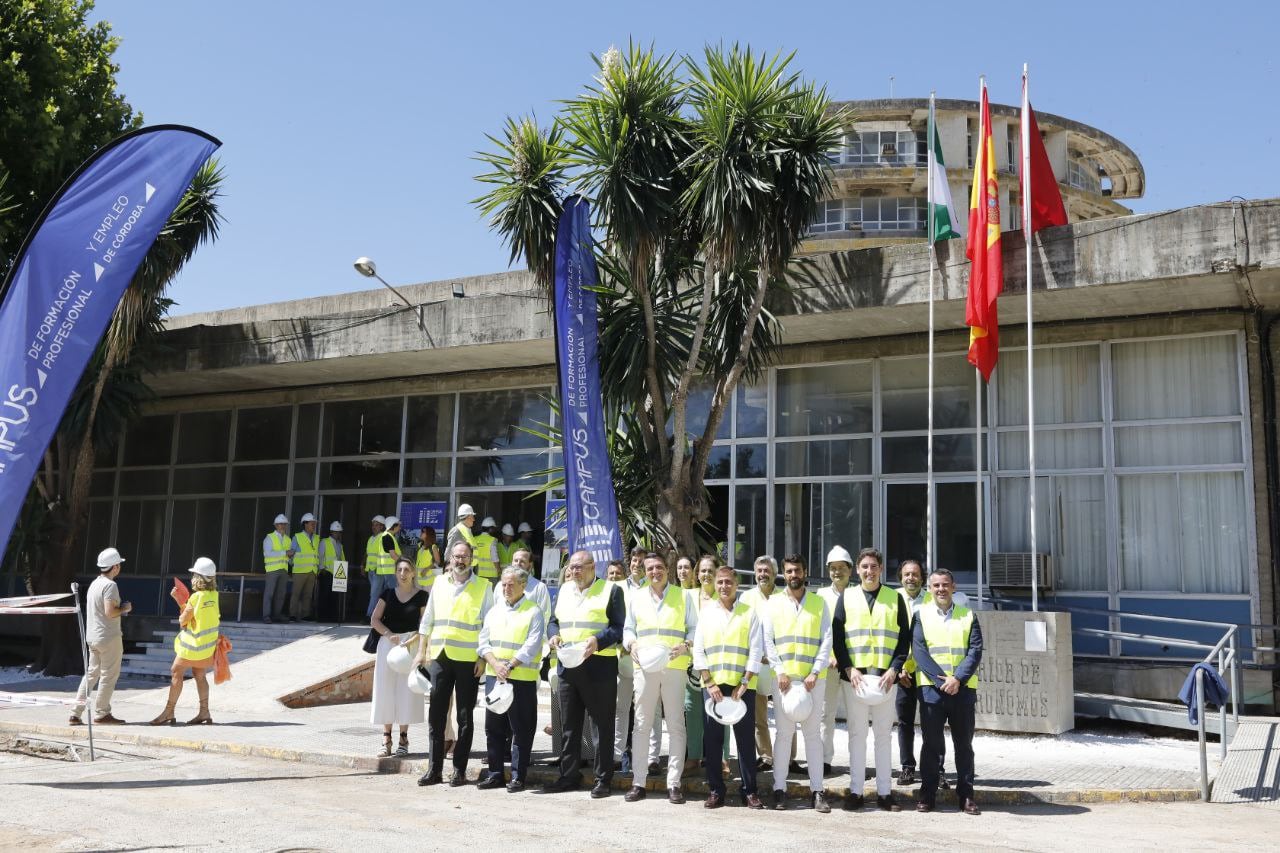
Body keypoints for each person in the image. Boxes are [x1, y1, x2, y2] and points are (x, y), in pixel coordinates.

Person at [832, 547, 910, 813]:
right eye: (864, 566)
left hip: (886, 679)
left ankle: (885, 794)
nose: (869, 571)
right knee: (856, 735)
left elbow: (904, 638)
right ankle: (855, 792)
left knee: (883, 737)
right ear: (857, 569)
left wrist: (895, 669)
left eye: (873, 566)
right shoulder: (848, 596)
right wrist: (848, 668)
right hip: (856, 678)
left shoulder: (894, 598)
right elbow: (838, 637)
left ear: (880, 569)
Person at [544, 550, 625, 798]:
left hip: (599, 666)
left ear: (593, 567)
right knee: (569, 725)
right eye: (572, 567)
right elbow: (553, 621)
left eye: (579, 567)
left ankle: (603, 779)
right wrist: (553, 634)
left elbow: (619, 628)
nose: (575, 571)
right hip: (569, 665)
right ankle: (569, 774)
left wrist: (597, 641)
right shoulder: (566, 590)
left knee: (601, 725)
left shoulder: (611, 590)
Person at [415, 541, 493, 787]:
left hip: (469, 661)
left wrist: (483, 658)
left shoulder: (483, 586)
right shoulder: (439, 583)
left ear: (472, 559)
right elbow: (428, 620)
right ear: (449, 559)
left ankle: (459, 770)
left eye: (465, 557)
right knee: (436, 714)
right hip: (440, 656)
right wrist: (421, 652)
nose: (461, 561)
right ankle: (434, 769)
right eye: (457, 556)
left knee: (465, 716)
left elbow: (488, 626)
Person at [623, 553, 696, 804]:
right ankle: (638, 782)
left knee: (676, 724)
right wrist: (630, 644)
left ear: (668, 569)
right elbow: (628, 628)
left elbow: (694, 628)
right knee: (641, 724)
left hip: (674, 666)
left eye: (660, 567)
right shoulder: (636, 597)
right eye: (650, 568)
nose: (655, 572)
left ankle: (674, 783)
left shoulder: (683, 596)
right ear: (644, 571)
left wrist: (686, 645)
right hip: (644, 666)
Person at [762, 554, 832, 813]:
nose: (794, 575)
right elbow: (768, 640)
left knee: (813, 737)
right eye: (789, 571)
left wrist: (815, 672)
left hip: (813, 682)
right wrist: (779, 670)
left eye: (797, 571)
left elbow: (827, 640)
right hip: (784, 683)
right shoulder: (773, 603)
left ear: (805, 572)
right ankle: (779, 789)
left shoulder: (818, 603)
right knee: (783, 736)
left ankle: (817, 791)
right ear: (784, 573)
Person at [693, 566, 765, 809]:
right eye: (720, 582)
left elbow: (756, 650)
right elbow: (699, 650)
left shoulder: (749, 613)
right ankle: (715, 790)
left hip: (741, 687)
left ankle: (750, 791)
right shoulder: (706, 613)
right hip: (713, 686)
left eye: (728, 582)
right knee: (712, 740)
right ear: (714, 584)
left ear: (737, 584)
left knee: (745, 741)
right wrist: (709, 681)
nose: (724, 586)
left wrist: (745, 682)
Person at [913, 568, 983, 816]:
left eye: (945, 585)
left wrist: (958, 679)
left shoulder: (968, 615)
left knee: (964, 746)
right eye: (936, 586)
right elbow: (919, 651)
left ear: (953, 587)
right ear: (929, 589)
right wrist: (941, 680)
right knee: (931, 746)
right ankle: (927, 795)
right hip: (932, 691)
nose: (941, 589)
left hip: (962, 691)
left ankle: (966, 797)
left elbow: (975, 650)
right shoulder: (920, 615)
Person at [477, 566, 546, 792]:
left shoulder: (533, 611)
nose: (506, 588)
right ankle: (496, 773)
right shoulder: (494, 611)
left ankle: (518, 776)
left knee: (521, 729)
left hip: (521, 679)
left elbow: (532, 644)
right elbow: (483, 642)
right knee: (493, 728)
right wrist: (495, 664)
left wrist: (509, 665)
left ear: (523, 585)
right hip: (494, 676)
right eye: (503, 584)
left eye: (511, 584)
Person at [151, 558, 221, 725]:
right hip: (207, 647)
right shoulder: (214, 595)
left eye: (194, 575)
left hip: (192, 647)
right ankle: (204, 712)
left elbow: (183, 620)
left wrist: (178, 600)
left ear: (199, 578)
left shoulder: (196, 597)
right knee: (200, 675)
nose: (192, 578)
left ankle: (169, 711)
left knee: (176, 671)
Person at [370, 558, 428, 757]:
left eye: (407, 570)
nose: (403, 573)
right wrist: (388, 635)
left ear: (413, 573)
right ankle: (386, 737)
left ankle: (404, 738)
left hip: (411, 644)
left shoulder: (422, 596)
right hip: (389, 644)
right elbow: (374, 619)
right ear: (395, 573)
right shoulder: (387, 593)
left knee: (408, 690)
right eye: (399, 570)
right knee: (385, 689)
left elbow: (425, 623)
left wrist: (416, 639)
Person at [70, 547, 132, 726]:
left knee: (91, 675)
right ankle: (102, 713)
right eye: (119, 564)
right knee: (108, 676)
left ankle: (75, 712)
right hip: (108, 637)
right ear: (114, 567)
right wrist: (125, 608)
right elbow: (110, 612)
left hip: (93, 636)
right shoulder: (110, 585)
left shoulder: (95, 584)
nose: (119, 567)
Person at [895, 558, 943, 787]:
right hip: (902, 672)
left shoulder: (931, 600)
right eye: (906, 574)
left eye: (915, 574)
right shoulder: (892, 599)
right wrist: (898, 669)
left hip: (926, 672)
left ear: (922, 578)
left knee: (932, 722)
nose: (910, 578)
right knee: (904, 721)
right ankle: (907, 767)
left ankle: (937, 768)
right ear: (900, 577)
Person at [739, 555, 786, 773]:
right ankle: (766, 756)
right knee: (759, 716)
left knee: (786, 713)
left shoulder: (785, 597)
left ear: (775, 573)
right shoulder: (746, 598)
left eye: (766, 570)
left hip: (780, 666)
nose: (762, 575)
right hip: (756, 665)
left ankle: (788, 757)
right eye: (759, 571)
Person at [817, 546, 853, 776]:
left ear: (850, 570)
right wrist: (828, 655)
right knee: (825, 713)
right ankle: (823, 760)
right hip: (828, 665)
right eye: (833, 568)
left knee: (857, 717)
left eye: (841, 568)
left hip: (853, 666)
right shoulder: (820, 596)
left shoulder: (859, 594)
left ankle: (856, 761)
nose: (837, 572)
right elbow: (819, 631)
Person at [289, 512, 320, 622]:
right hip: (299, 571)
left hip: (312, 571)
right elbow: (291, 554)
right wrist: (293, 566)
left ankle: (305, 615)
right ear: (305, 524)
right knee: (296, 594)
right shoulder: (297, 537)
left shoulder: (317, 538)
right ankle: (292, 615)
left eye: (314, 524)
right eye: (312, 524)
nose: (314, 526)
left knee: (308, 595)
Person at [262, 513, 293, 623]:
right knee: (269, 593)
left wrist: (291, 560)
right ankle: (266, 616)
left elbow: (288, 556)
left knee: (280, 594)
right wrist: (285, 552)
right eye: (280, 524)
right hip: (272, 570)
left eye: (284, 524)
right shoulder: (269, 537)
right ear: (276, 525)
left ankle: (277, 615)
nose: (283, 526)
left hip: (284, 570)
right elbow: (268, 553)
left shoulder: (288, 539)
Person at [511, 547, 551, 620]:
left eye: (522, 561)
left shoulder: (540, 587)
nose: (518, 564)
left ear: (530, 565)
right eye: (515, 560)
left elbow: (545, 615)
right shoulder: (500, 586)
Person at [318, 521, 345, 622]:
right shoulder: (324, 542)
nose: (337, 534)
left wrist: (343, 573)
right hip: (326, 573)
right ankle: (322, 617)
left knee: (334, 597)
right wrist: (321, 568)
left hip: (337, 574)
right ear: (331, 532)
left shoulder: (339, 545)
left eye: (339, 532)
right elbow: (320, 556)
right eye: (335, 532)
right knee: (324, 596)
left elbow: (341, 559)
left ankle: (332, 617)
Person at [364, 514, 386, 619]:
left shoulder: (383, 537)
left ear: (382, 526)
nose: (374, 527)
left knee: (374, 594)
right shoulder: (371, 538)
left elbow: (383, 555)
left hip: (378, 570)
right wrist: (363, 566)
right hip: (371, 570)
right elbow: (367, 553)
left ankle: (369, 616)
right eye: (373, 525)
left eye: (376, 525)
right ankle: (379, 616)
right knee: (376, 594)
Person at [473, 517, 500, 583]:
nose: (494, 531)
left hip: (478, 573)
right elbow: (495, 557)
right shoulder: (492, 540)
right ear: (490, 529)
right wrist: (499, 569)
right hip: (492, 575)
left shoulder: (475, 539)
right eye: (493, 529)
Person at [416, 527, 442, 592]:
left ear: (429, 534)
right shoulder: (419, 545)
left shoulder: (433, 547)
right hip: (418, 580)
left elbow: (437, 561)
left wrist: (427, 569)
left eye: (423, 532)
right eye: (421, 531)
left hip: (428, 582)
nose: (421, 533)